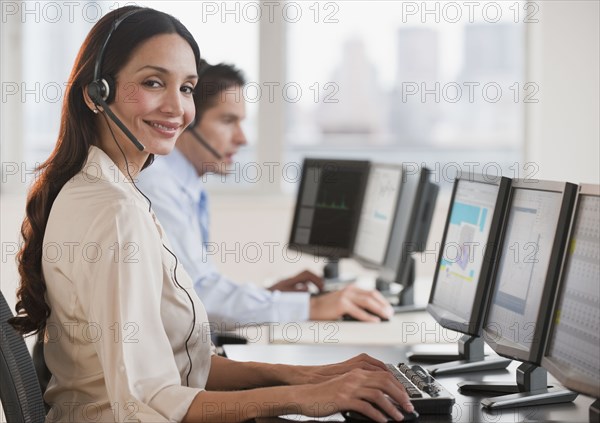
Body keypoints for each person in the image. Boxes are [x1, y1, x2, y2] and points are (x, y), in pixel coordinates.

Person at [9, 6, 413, 422]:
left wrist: (310, 377)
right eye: (153, 82)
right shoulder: (113, 211)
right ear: (97, 93)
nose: (177, 107)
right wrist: (302, 398)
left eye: (186, 88)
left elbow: (185, 365)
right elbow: (150, 403)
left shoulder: (105, 191)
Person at [137, 60, 394, 328]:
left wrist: (271, 296)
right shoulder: (157, 185)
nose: (242, 138)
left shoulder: (185, 183)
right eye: (228, 121)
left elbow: (201, 284)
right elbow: (196, 297)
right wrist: (313, 305)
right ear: (186, 120)